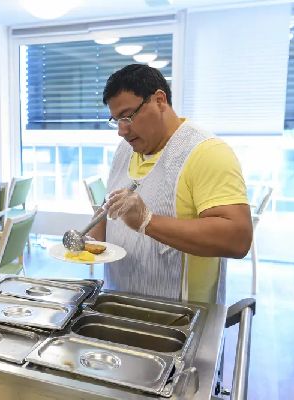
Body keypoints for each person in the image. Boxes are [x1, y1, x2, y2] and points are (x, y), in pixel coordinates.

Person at [88, 64, 253, 304]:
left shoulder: (206, 152)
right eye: (116, 120)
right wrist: (90, 241)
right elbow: (109, 208)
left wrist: (147, 221)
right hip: (117, 303)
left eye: (128, 116)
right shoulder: (126, 149)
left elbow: (238, 238)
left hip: (180, 315)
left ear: (159, 100)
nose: (121, 131)